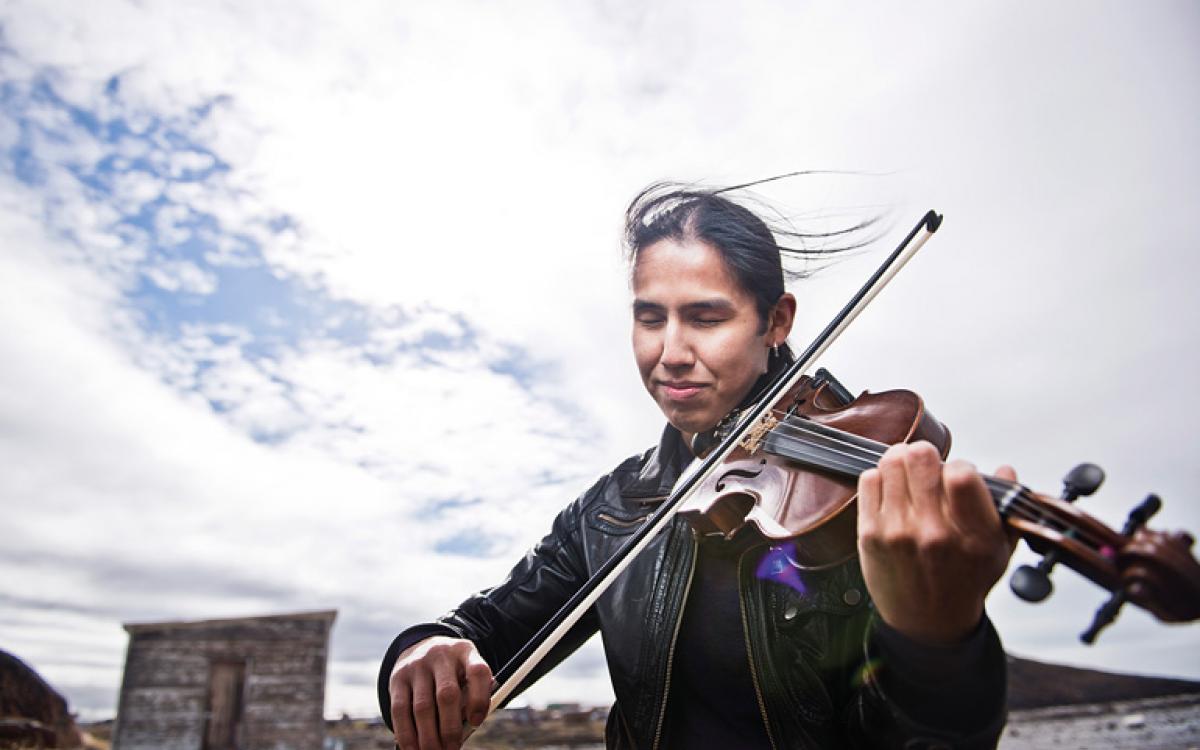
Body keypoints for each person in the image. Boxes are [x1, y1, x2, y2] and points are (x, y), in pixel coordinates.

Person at [378, 183, 1015, 750]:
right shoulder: (610, 512)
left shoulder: (860, 502)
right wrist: (424, 647)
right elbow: (483, 630)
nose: (672, 353)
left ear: (777, 321)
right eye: (650, 318)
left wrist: (935, 643)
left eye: (707, 318)